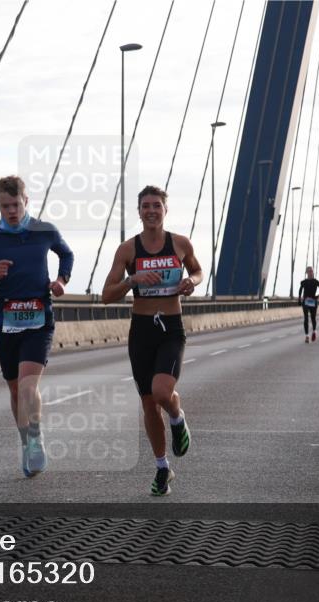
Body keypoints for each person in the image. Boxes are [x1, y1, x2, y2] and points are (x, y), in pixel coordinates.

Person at [0, 175, 73, 477]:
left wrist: (61, 281)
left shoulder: (44, 231)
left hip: (40, 318)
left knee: (29, 386)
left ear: (26, 201)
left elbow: (66, 253)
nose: (12, 211)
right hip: (7, 322)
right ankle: (26, 441)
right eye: (5, 206)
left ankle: (36, 438)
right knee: (15, 391)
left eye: (16, 204)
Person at [101, 185, 203, 496]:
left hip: (171, 328)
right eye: (145, 206)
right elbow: (107, 294)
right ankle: (162, 468)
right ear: (139, 211)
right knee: (148, 403)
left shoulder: (181, 244)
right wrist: (132, 280)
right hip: (141, 330)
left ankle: (177, 416)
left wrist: (191, 282)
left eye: (156, 205)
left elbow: (198, 271)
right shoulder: (128, 250)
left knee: (161, 392)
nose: (151, 211)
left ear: (165, 210)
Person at [298, 267, 319, 343]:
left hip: (313, 301)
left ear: (313, 272)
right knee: (306, 318)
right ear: (306, 273)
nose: (310, 273)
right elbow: (300, 290)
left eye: (311, 271)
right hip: (306, 301)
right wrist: (299, 299)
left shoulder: (316, 281)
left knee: (313, 318)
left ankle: (314, 331)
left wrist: (318, 296)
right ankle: (307, 336)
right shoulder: (303, 282)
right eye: (309, 271)